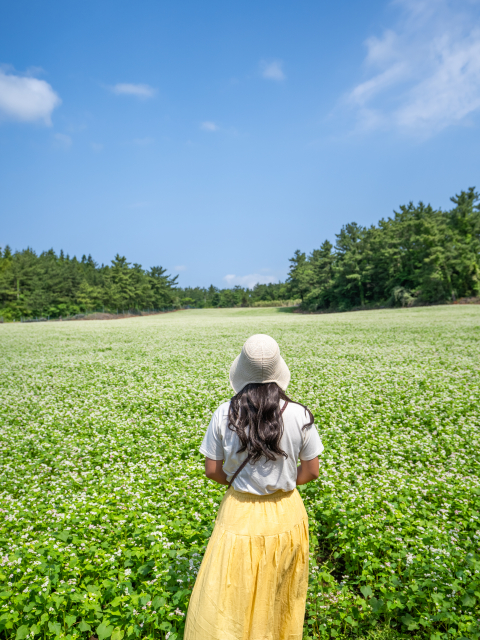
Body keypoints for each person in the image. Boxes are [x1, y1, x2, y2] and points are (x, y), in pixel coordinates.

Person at [184, 334, 324, 640]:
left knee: (230, 598)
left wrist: (241, 483)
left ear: (242, 372)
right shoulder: (300, 414)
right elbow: (311, 472)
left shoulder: (224, 413)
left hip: (239, 512)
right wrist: (282, 484)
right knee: (280, 594)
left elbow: (212, 470)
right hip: (287, 512)